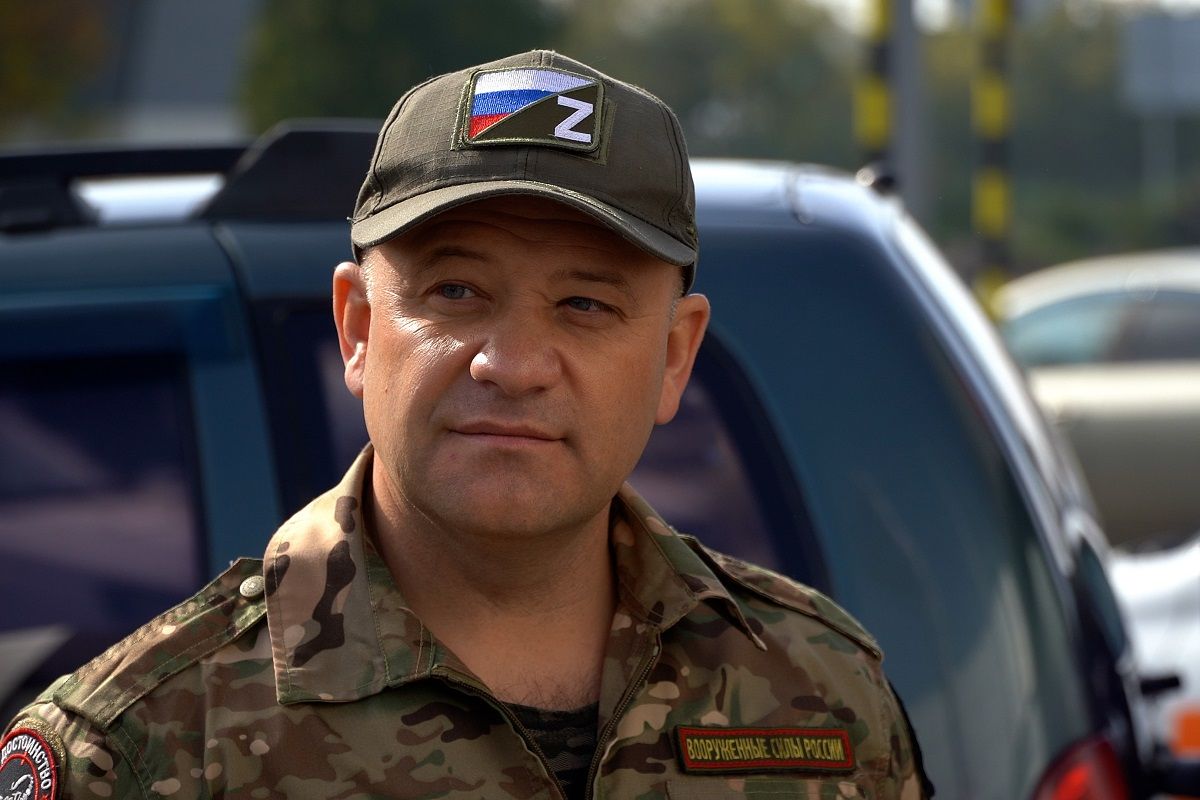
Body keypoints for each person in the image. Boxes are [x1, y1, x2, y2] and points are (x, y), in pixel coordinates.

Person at [2, 50, 931, 799]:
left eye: (585, 304)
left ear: (675, 358)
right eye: (455, 291)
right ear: (358, 328)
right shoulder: (136, 749)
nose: (512, 364)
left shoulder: (822, 697)